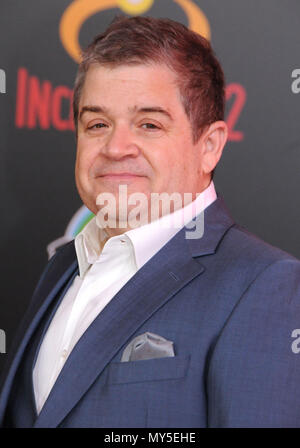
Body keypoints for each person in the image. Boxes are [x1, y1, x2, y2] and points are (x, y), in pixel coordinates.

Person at [0, 15, 300, 428]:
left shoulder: (264, 285)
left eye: (149, 124)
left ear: (209, 146)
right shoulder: (62, 267)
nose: (116, 147)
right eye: (98, 124)